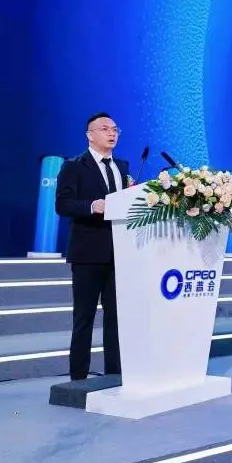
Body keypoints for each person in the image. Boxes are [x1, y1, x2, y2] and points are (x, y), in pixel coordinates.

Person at [55, 112, 129, 381]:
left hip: (119, 253)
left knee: (116, 317)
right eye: (105, 129)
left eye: (115, 129)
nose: (112, 133)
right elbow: (62, 205)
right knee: (84, 318)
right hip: (87, 253)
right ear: (90, 135)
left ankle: (115, 374)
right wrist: (90, 206)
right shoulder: (74, 166)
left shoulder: (122, 166)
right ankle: (78, 378)